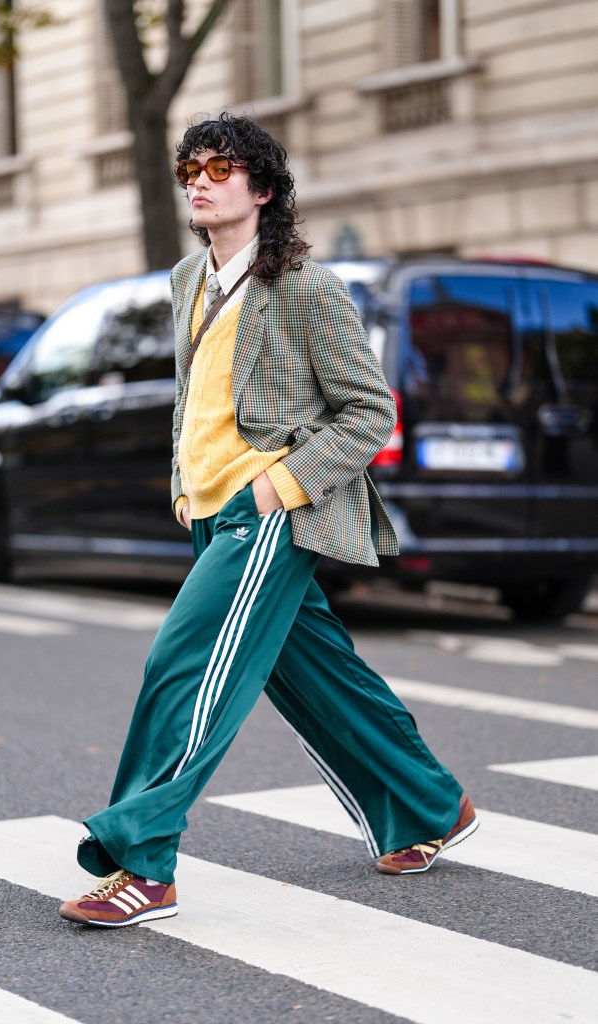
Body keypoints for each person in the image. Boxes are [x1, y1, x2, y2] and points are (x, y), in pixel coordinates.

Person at [59, 113, 478, 928]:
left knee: (184, 669)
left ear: (264, 188)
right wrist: (184, 480)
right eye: (191, 168)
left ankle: (143, 863)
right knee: (318, 675)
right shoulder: (189, 279)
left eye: (221, 167)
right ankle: (429, 806)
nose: (201, 180)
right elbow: (197, 397)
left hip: (268, 512)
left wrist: (280, 485)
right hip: (210, 511)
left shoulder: (305, 287)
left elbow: (368, 412)